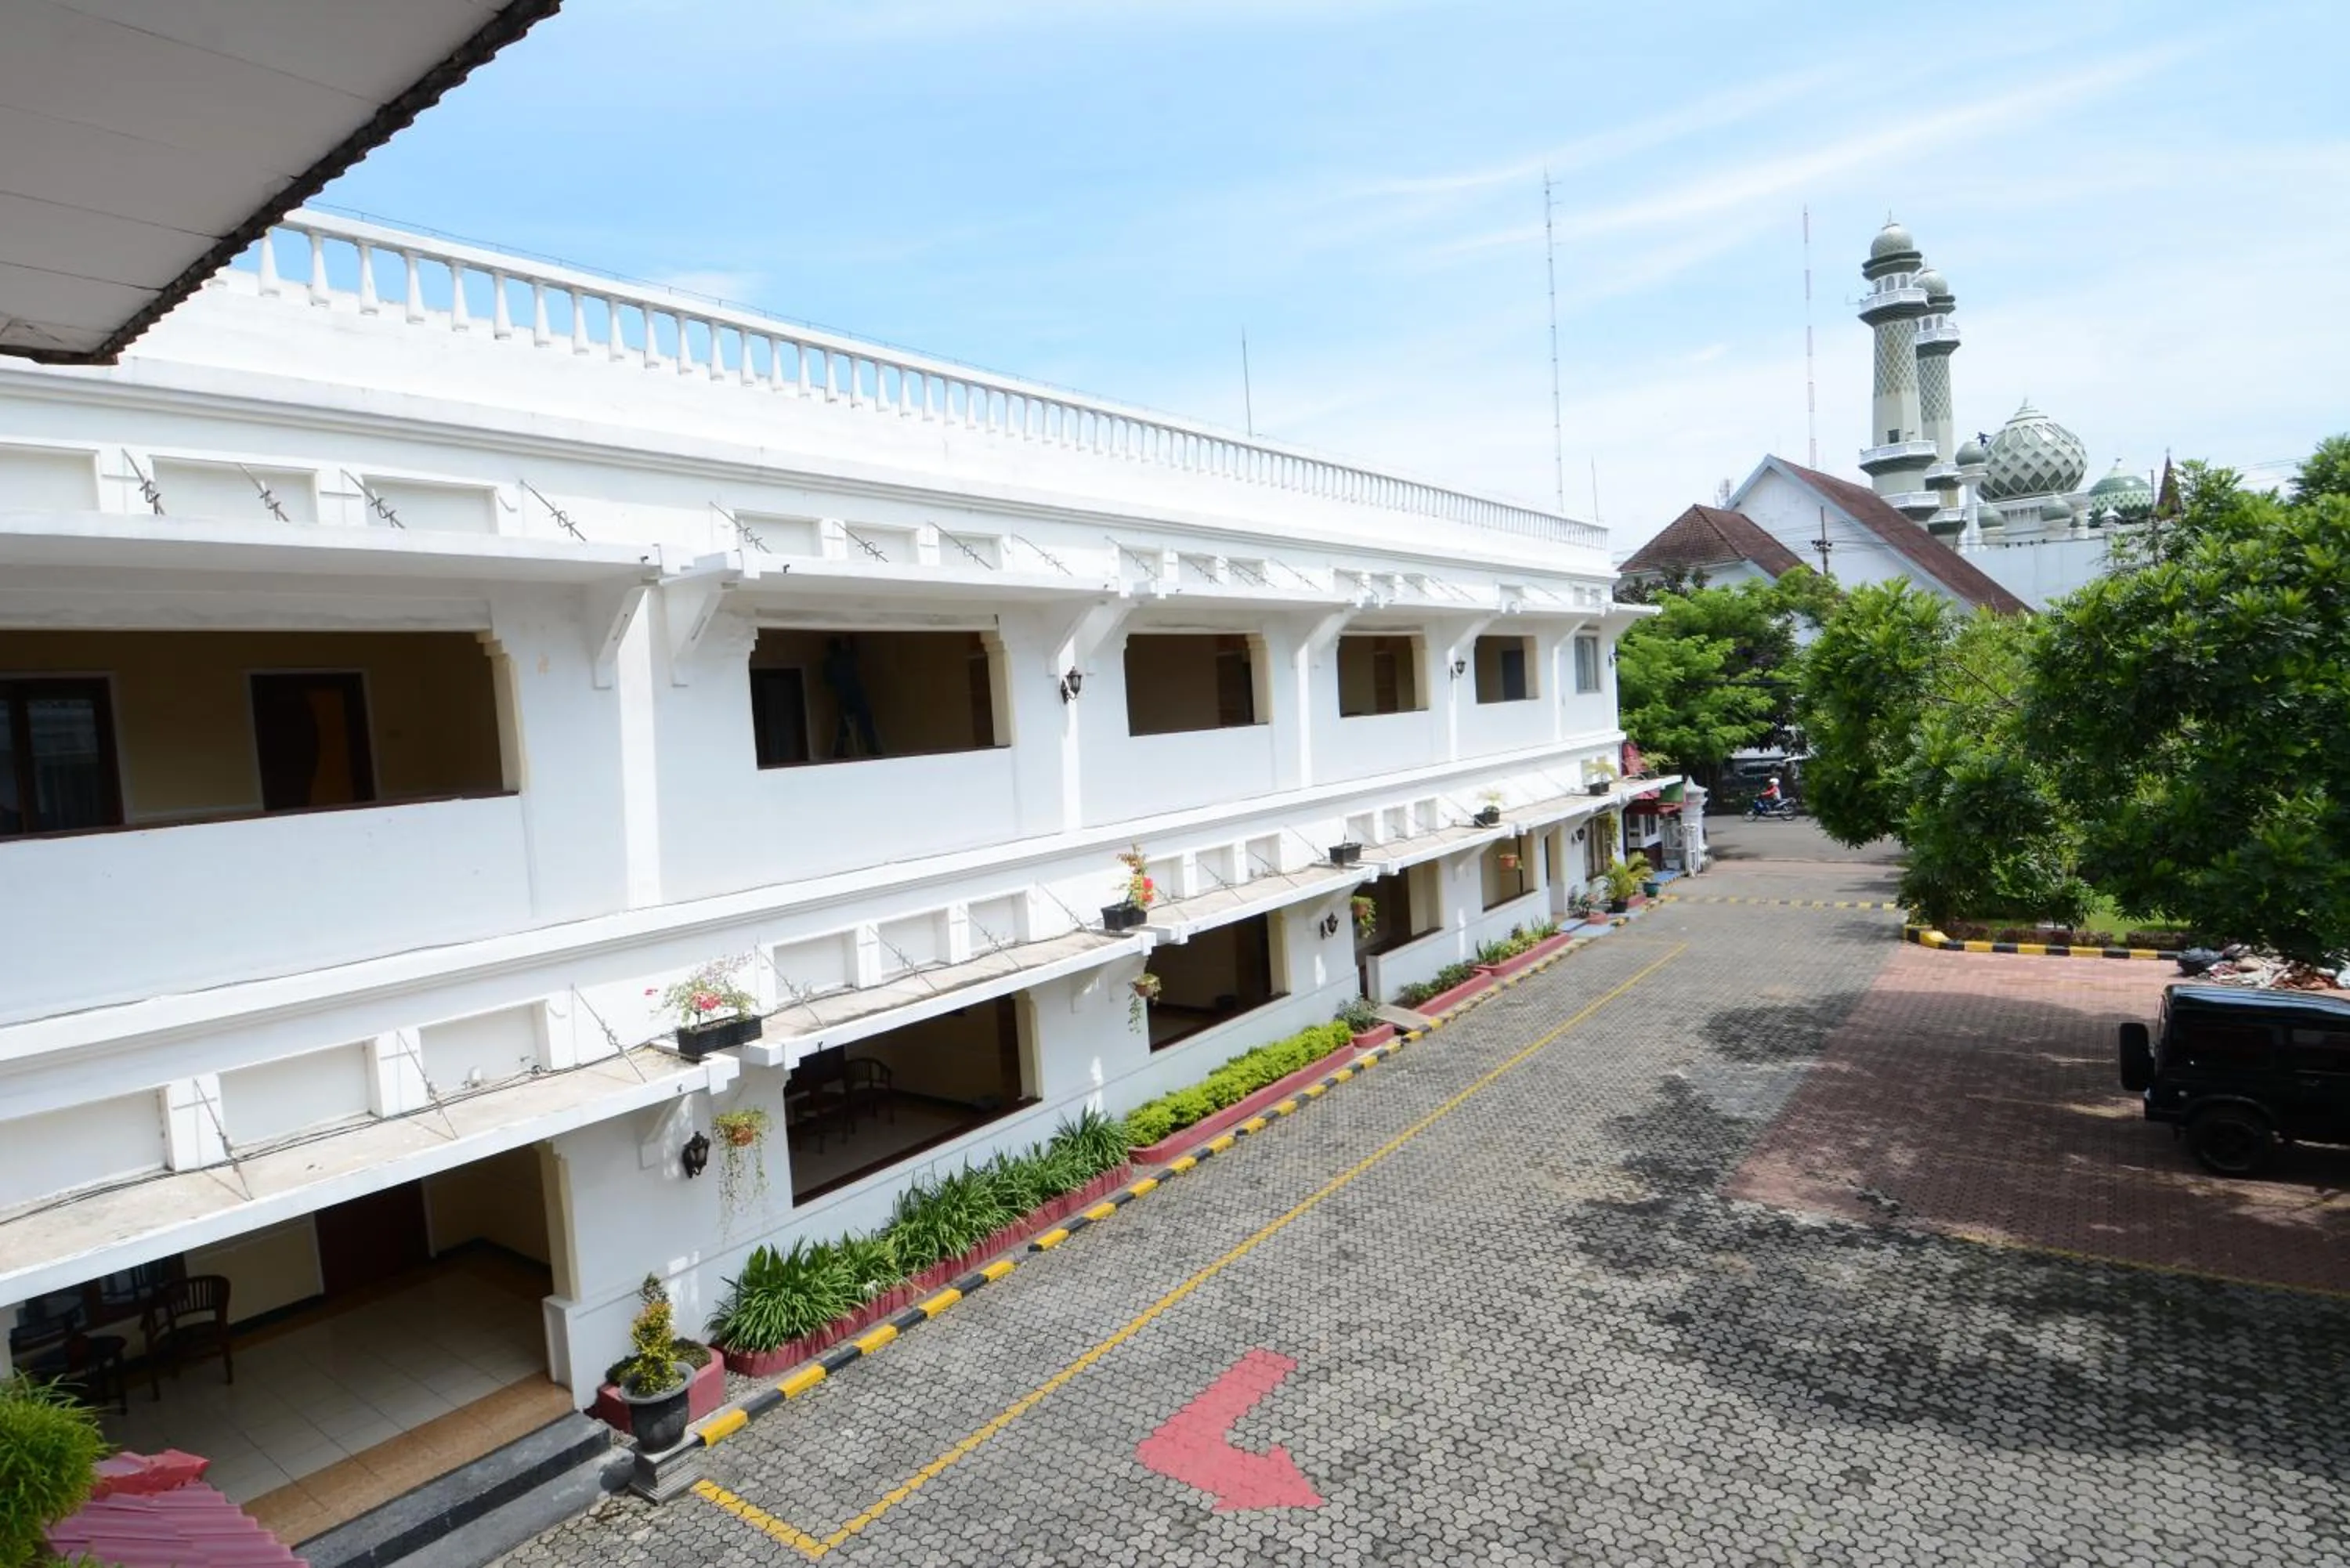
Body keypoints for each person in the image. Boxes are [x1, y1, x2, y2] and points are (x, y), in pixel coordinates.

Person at [822, 636, 882, 758]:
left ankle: (839, 751)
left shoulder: (829, 663)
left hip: (843, 697)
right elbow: (855, 654)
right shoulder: (846, 657)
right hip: (856, 695)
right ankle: (872, 748)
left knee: (844, 725)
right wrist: (852, 640)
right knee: (865, 722)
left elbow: (828, 681)